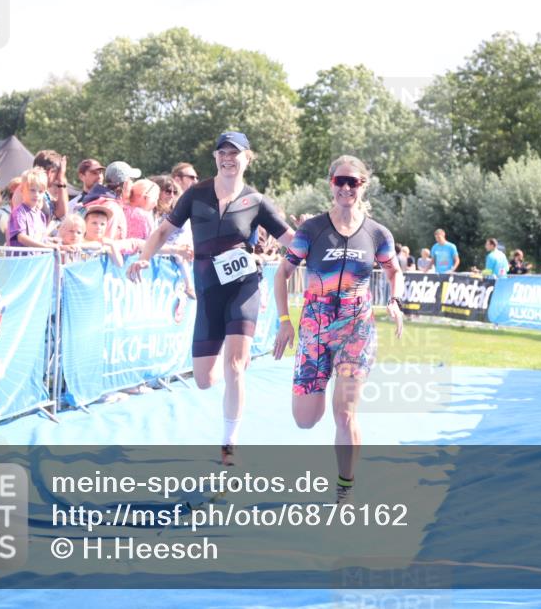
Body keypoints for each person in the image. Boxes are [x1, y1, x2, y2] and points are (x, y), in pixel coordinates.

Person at [128, 131, 294, 465]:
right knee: (204, 380)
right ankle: (227, 361)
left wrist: (323, 259)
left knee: (235, 365)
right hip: (207, 291)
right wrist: (145, 256)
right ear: (216, 158)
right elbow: (163, 231)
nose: (229, 158)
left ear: (248, 158)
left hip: (243, 286)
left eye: (236, 153)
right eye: (223, 153)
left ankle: (229, 445)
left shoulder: (256, 201)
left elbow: (292, 238)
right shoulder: (196, 194)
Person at [272, 155, 404, 504]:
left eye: (354, 182)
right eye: (340, 181)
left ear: (364, 186)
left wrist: (395, 300)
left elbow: (395, 271)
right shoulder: (311, 230)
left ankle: (345, 486)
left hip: (356, 330)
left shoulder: (377, 233)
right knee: (306, 420)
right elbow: (282, 273)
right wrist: (285, 322)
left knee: (345, 414)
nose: (346, 188)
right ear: (331, 183)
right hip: (315, 330)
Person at [82, 161, 139, 240]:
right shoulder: (112, 207)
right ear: (125, 183)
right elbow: (107, 242)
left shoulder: (98, 198)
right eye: (131, 180)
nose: (133, 184)